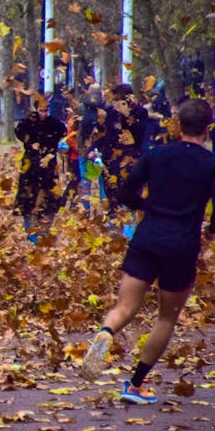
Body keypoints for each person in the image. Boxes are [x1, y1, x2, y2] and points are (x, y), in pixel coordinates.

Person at [81, 99, 215, 404]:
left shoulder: (156, 155)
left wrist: (147, 208)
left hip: (147, 236)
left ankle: (106, 333)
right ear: (208, 128)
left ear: (178, 126)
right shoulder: (210, 164)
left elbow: (126, 192)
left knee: (124, 308)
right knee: (166, 317)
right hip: (181, 244)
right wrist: (209, 231)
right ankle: (135, 385)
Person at [13, 101, 66, 242]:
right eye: (41, 110)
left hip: (49, 168)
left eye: (46, 110)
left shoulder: (54, 124)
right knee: (28, 199)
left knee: (49, 199)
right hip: (31, 166)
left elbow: (61, 133)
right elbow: (20, 132)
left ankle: (44, 231)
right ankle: (31, 233)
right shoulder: (27, 124)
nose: (43, 113)